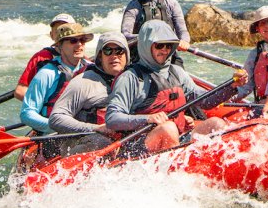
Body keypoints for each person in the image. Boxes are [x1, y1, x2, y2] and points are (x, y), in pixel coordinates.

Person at [106, 20, 247, 153]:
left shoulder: (177, 72)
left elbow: (205, 101)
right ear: (146, 45)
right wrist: (147, 119)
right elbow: (112, 118)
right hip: (141, 146)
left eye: (169, 45)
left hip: (177, 139)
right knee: (168, 128)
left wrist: (232, 86)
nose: (165, 50)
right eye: (159, 45)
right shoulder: (130, 78)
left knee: (216, 123)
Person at [46, 32, 130, 155]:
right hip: (86, 141)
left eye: (119, 51)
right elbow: (56, 118)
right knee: (102, 143)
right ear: (100, 56)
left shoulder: (135, 80)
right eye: (108, 51)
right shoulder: (82, 82)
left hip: (121, 141)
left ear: (126, 55)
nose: (114, 56)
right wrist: (95, 128)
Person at [20, 21, 93, 133]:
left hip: (89, 131)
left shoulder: (93, 69)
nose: (79, 44)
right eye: (73, 40)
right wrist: (56, 126)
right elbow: (27, 113)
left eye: (82, 40)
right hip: (56, 136)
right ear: (59, 47)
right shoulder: (47, 74)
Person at [120, 0, 189, 65]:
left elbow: (182, 31)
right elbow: (125, 34)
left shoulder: (172, 4)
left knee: (181, 76)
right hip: (141, 59)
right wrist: (149, 38)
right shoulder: (133, 6)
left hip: (167, 56)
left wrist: (184, 41)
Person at [15, 13, 78, 100]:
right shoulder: (41, 57)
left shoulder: (82, 58)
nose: (62, 35)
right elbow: (20, 91)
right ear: (52, 35)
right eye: (58, 31)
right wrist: (42, 104)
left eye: (67, 31)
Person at [235, 6, 268, 103]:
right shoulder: (255, 54)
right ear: (258, 29)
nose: (267, 26)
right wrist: (226, 98)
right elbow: (245, 87)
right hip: (262, 104)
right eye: (263, 23)